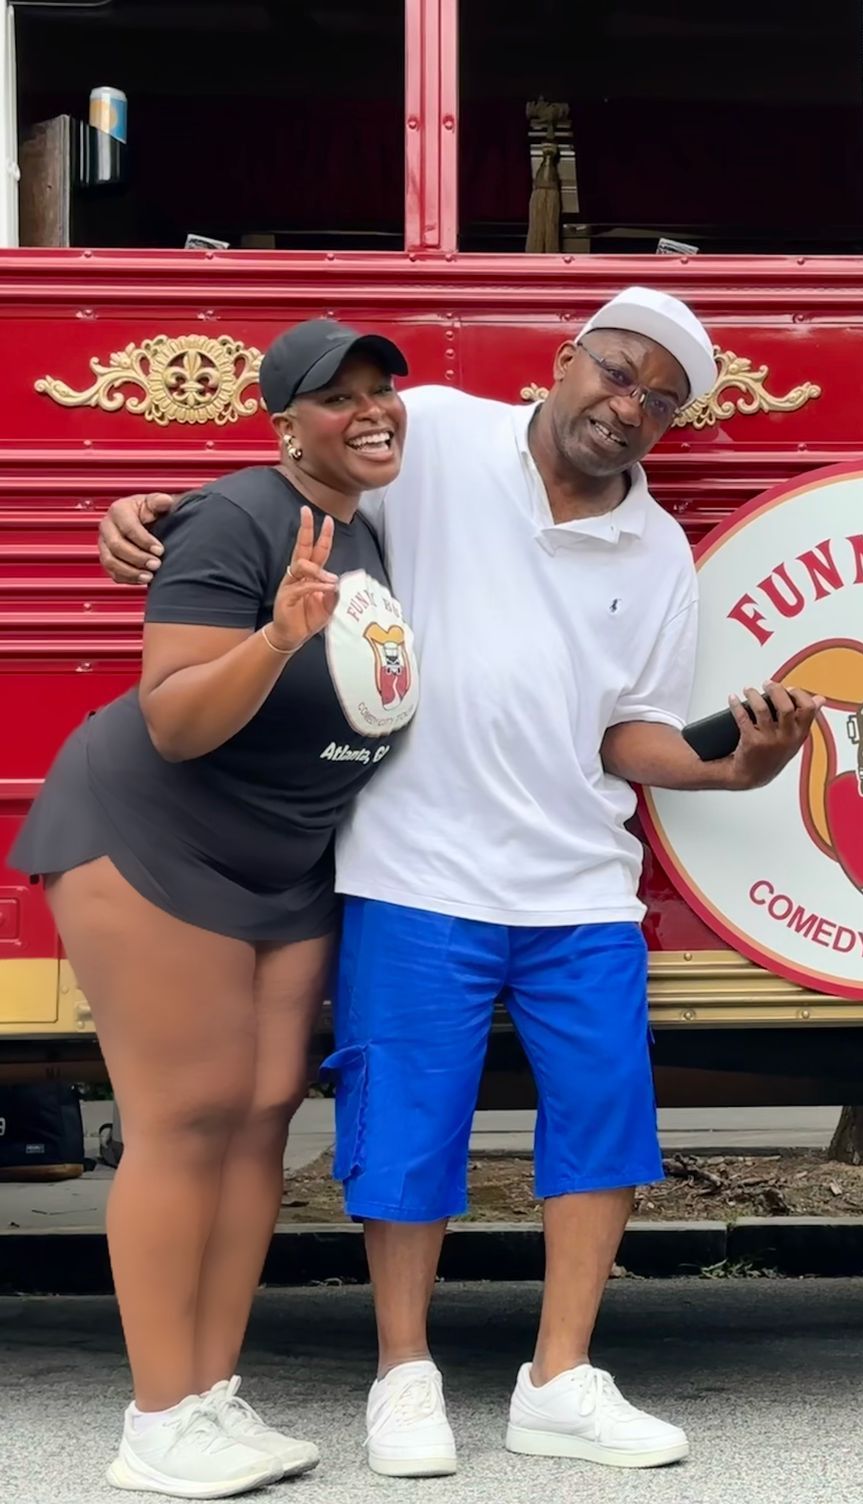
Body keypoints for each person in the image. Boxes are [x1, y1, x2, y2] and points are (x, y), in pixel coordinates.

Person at [95, 287, 819, 1480]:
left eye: (661, 400)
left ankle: (562, 1379)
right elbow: (308, 472)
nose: (628, 407)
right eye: (618, 371)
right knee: (405, 1129)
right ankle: (403, 1376)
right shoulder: (432, 431)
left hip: (582, 879)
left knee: (604, 1127)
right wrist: (157, 508)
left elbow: (627, 735)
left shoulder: (658, 550)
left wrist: (740, 767)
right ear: (566, 357)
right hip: (413, 861)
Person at [13, 319, 417, 1497]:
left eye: (382, 389)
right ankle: (154, 1420)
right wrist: (279, 635)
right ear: (284, 421)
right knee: (183, 1115)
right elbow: (177, 715)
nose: (370, 410)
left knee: (257, 1118)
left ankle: (210, 1396)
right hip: (154, 841)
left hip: (285, 860)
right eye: (336, 398)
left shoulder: (368, 528)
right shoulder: (238, 517)